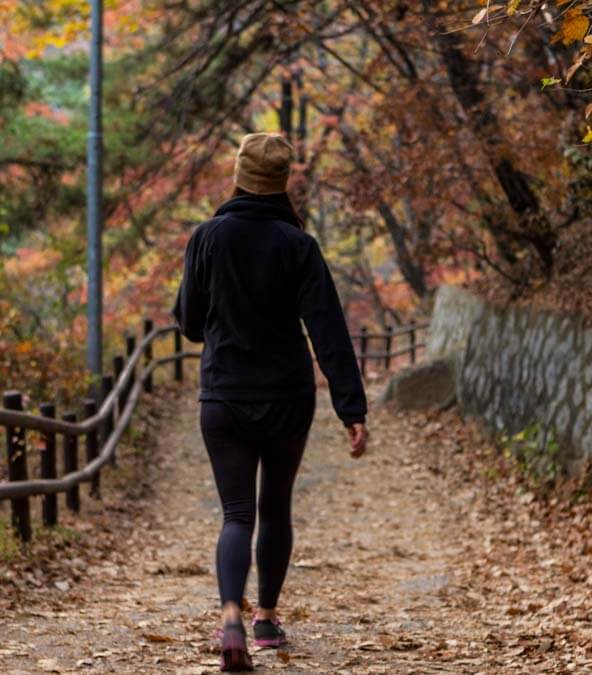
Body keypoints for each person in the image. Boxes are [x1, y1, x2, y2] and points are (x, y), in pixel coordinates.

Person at [172, 132, 369, 671]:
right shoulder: (298, 245)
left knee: (236, 513)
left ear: (238, 175)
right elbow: (327, 328)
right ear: (282, 183)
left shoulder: (208, 238)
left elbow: (189, 324)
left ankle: (231, 614)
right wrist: (352, 410)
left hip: (225, 395)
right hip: (287, 396)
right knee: (275, 506)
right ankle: (267, 619)